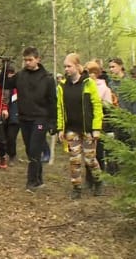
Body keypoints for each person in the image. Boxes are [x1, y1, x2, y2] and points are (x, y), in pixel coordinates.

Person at [4, 47, 57, 192]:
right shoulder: (21, 75)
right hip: (24, 117)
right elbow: (6, 84)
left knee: (34, 149)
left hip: (40, 118)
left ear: (37, 59)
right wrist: (5, 68)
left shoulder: (47, 78)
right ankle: (39, 179)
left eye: (30, 60)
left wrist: (53, 122)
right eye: (25, 60)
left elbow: (53, 101)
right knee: (30, 150)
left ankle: (31, 181)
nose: (27, 62)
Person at [57, 53, 103, 199]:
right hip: (71, 129)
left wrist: (96, 127)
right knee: (74, 160)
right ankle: (77, 187)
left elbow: (97, 106)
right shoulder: (62, 86)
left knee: (90, 159)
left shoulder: (88, 83)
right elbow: (60, 108)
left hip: (87, 128)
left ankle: (98, 181)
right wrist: (60, 128)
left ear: (77, 66)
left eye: (69, 66)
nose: (66, 69)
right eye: (65, 66)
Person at [84, 60, 113, 189]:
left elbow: (108, 107)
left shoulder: (104, 88)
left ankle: (100, 178)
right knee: (87, 152)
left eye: (90, 73)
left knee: (99, 152)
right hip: (86, 124)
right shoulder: (84, 86)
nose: (89, 75)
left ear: (96, 74)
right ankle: (88, 179)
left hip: (100, 124)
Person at [1, 63, 20, 166]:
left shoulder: (19, 86)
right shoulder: (3, 87)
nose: (10, 75)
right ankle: (6, 154)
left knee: (11, 137)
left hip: (15, 116)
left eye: (12, 73)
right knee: (4, 137)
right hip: (4, 115)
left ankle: (12, 156)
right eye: (8, 73)